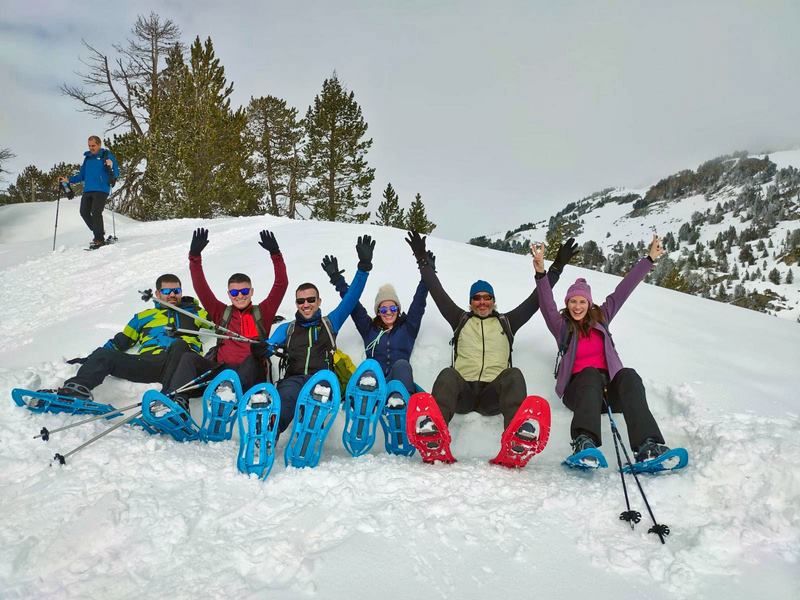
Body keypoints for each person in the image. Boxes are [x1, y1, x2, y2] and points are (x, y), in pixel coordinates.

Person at [404, 231, 578, 460]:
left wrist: (555, 268)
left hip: (493, 396)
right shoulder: (460, 319)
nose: (482, 301)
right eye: (477, 298)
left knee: (513, 374)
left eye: (487, 297)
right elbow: (437, 291)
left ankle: (516, 440)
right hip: (463, 393)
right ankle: (435, 437)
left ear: (493, 301)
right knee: (448, 374)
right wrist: (422, 260)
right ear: (471, 302)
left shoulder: (507, 322)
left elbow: (537, 299)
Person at [533, 234, 671, 464]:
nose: (577, 306)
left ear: (589, 304)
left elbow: (623, 290)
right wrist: (540, 272)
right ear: (567, 304)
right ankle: (583, 442)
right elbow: (546, 303)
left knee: (629, 375)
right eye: (572, 302)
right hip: (579, 393)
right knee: (589, 373)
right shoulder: (561, 327)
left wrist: (649, 260)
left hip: (608, 393)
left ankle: (647, 445)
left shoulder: (603, 318)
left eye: (582, 302)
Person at [264, 235, 375, 433]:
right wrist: (262, 348)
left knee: (318, 397)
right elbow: (268, 347)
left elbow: (351, 298)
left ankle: (310, 432)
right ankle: (267, 436)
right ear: (296, 304)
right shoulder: (287, 329)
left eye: (310, 299)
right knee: (286, 399)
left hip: (322, 378)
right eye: (301, 301)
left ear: (319, 301)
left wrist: (363, 268)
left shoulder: (330, 323)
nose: (306, 304)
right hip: (293, 379)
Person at [161, 228, 288, 400]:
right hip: (221, 371)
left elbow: (281, 284)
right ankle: (178, 404)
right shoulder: (222, 313)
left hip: (250, 375)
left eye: (244, 291)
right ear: (229, 294)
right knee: (188, 359)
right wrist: (194, 256)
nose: (240, 296)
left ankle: (231, 396)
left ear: (251, 291)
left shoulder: (262, 312)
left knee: (252, 359)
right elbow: (201, 288)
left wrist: (275, 254)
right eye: (234, 293)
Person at [45, 274, 208, 401]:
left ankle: (169, 400)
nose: (172, 294)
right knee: (104, 353)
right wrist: (90, 359)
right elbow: (121, 341)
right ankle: (75, 390)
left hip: (182, 365)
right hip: (150, 362)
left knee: (179, 344)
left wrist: (196, 308)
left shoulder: (195, 312)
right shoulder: (143, 317)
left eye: (176, 291)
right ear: (158, 293)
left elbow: (218, 325)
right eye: (167, 291)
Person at [320, 246, 432, 395]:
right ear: (378, 312)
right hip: (373, 383)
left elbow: (419, 302)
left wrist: (427, 274)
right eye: (383, 309)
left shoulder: (408, 328)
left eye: (392, 309)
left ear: (398, 310)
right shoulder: (369, 329)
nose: (388, 313)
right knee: (371, 364)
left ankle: (401, 405)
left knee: (402, 365)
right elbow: (353, 305)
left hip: (398, 382)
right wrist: (338, 280)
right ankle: (366, 404)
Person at [59, 135, 120, 249]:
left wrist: (111, 168)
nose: (91, 148)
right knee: (84, 212)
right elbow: (81, 175)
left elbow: (116, 171)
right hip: (88, 190)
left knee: (96, 212)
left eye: (93, 145)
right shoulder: (87, 158)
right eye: (89, 145)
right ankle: (99, 232)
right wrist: (68, 180)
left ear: (99, 144)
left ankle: (99, 239)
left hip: (101, 188)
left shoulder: (106, 155)